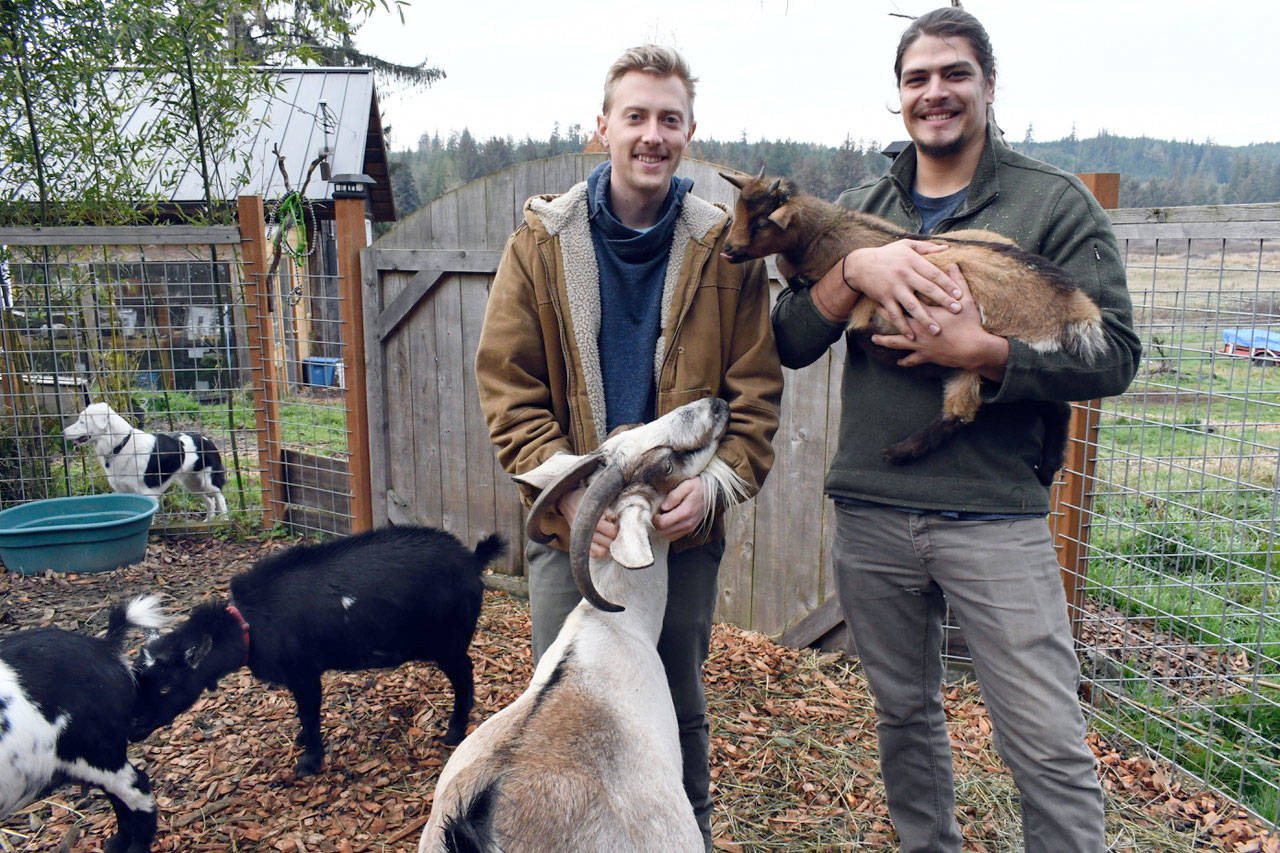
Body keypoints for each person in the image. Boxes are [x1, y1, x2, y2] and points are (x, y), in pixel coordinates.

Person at [771, 8, 1141, 852]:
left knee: (1044, 738)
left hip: (994, 512)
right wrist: (852, 270)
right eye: (917, 78)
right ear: (898, 94)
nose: (934, 92)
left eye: (954, 74)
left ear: (989, 85)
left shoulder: (1052, 203)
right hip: (872, 507)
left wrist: (984, 353)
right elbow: (789, 339)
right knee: (904, 715)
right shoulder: (861, 208)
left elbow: (1114, 353)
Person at [474, 44, 782, 850]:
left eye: (669, 119)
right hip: (573, 524)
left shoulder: (725, 249)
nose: (652, 134)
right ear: (601, 128)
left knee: (673, 705)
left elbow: (753, 402)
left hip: (680, 526)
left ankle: (686, 833)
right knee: (564, 720)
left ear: (689, 134)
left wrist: (711, 488)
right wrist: (574, 492)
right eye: (635, 116)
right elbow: (508, 388)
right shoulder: (541, 243)